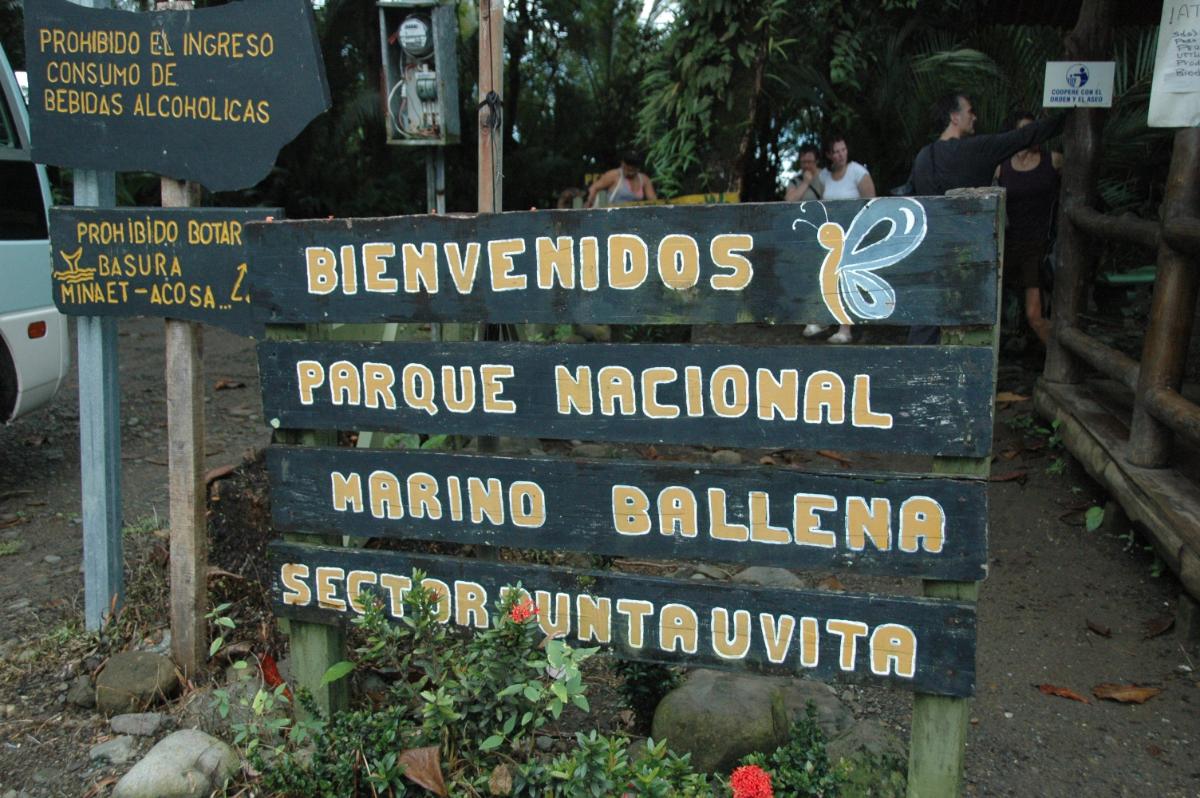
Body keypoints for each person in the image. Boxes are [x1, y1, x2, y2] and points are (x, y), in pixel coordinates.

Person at [906, 93, 1066, 344]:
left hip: (930, 255)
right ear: (954, 117)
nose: (975, 117)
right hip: (969, 259)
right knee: (968, 332)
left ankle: (920, 367)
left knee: (926, 326)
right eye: (970, 111)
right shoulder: (977, 150)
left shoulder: (923, 157)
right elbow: (1025, 136)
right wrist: (1071, 115)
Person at [996, 112, 1062, 346]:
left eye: (1036, 129)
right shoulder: (1001, 167)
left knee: (1035, 315)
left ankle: (1059, 359)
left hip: (1041, 245)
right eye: (1027, 129)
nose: (1034, 134)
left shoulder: (1053, 160)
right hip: (1009, 243)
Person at [804, 135, 875, 343]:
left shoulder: (858, 172)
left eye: (843, 150)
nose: (841, 154)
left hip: (853, 235)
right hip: (830, 235)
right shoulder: (824, 176)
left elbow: (871, 203)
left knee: (845, 278)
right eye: (836, 151)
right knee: (823, 276)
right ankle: (822, 319)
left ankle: (845, 329)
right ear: (828, 155)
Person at [587, 150, 657, 207]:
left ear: (638, 167)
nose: (630, 168)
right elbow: (594, 188)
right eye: (628, 165)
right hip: (612, 215)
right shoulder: (614, 175)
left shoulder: (644, 179)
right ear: (622, 163)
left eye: (633, 165)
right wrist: (589, 206)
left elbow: (653, 201)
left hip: (634, 216)